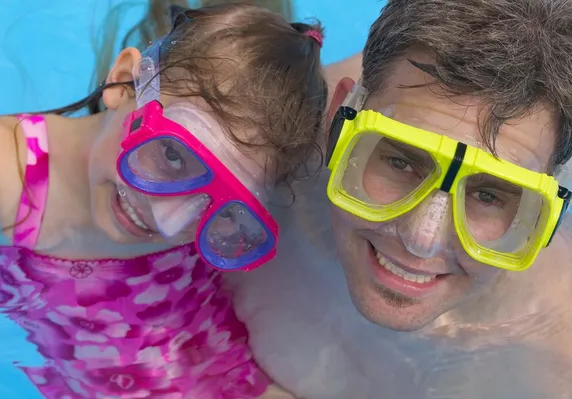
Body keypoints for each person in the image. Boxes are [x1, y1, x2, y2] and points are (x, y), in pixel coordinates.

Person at [0, 2, 326, 398]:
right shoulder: (6, 168)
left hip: (230, 379)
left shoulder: (220, 211)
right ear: (124, 82)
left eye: (219, 203)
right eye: (173, 156)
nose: (168, 221)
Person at [228, 0, 572, 397]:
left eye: (489, 195)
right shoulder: (262, 149)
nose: (420, 239)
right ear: (337, 120)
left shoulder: (553, 359)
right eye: (399, 161)